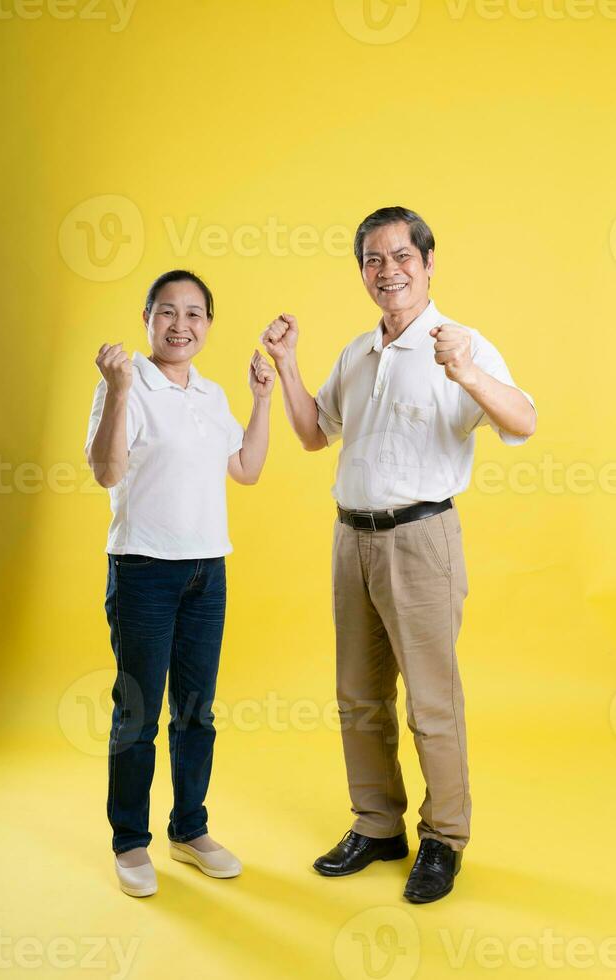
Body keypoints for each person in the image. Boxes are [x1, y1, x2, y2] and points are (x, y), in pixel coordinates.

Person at [261, 206, 536, 904]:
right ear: (363, 272)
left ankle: (444, 837)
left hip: (421, 539)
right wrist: (288, 366)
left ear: (428, 261)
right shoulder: (358, 352)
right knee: (358, 696)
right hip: (350, 538)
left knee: (431, 702)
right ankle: (378, 824)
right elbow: (312, 433)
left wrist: (468, 373)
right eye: (373, 261)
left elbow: (524, 421)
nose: (388, 271)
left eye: (401, 257)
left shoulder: (460, 343)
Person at [84, 269, 275, 898]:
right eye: (167, 312)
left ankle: (189, 830)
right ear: (147, 319)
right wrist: (115, 391)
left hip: (206, 571)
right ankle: (130, 843)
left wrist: (262, 398)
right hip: (143, 570)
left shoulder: (211, 394)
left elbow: (245, 468)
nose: (180, 325)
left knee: (196, 711)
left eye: (194, 314)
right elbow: (107, 472)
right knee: (137, 711)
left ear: (208, 326)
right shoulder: (124, 383)